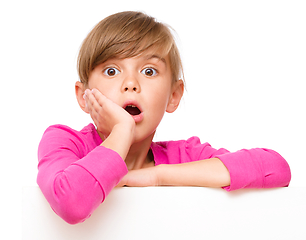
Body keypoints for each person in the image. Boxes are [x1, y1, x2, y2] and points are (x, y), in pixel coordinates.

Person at [37, 11, 291, 225]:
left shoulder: (183, 157)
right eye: (112, 70)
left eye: (149, 71)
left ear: (173, 96)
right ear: (83, 97)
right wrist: (121, 131)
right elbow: (72, 202)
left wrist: (159, 176)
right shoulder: (64, 141)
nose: (130, 83)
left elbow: (276, 168)